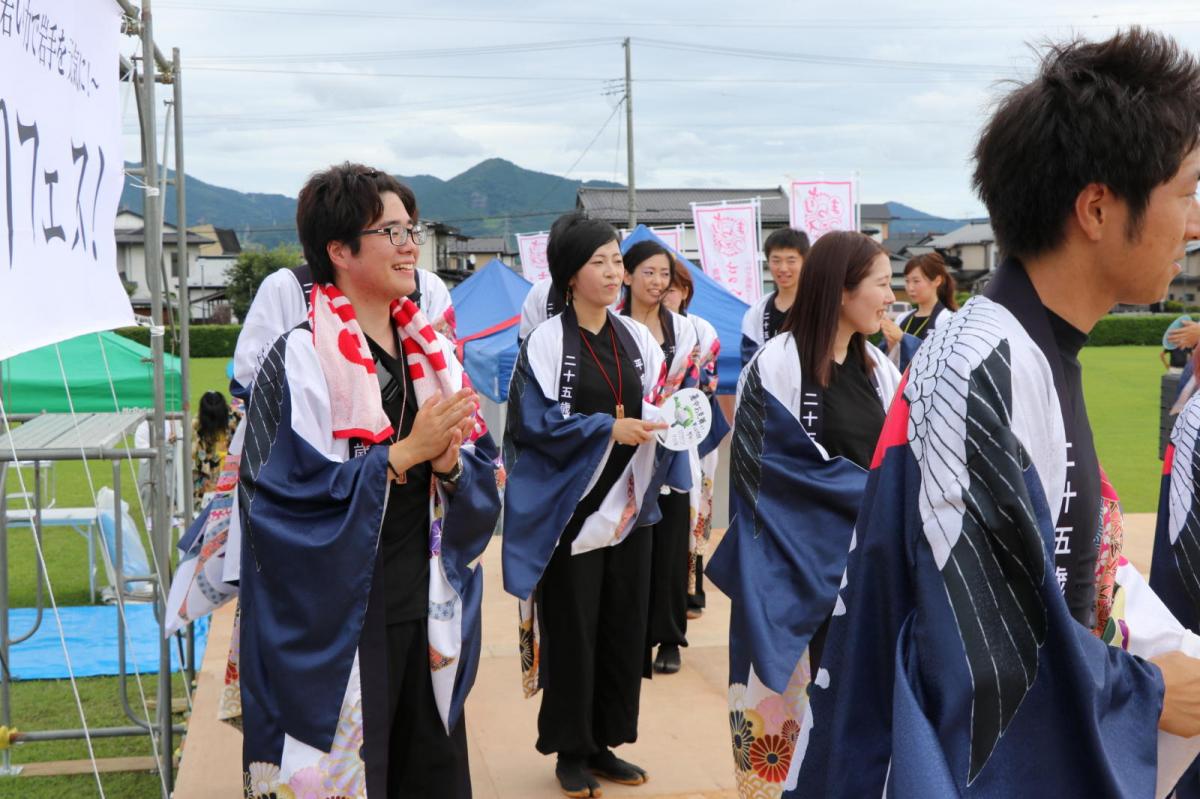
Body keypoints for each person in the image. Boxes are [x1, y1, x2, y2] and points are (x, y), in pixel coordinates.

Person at [793, 29, 1200, 797]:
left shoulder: (1024, 347)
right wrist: (1146, 689)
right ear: (1097, 207)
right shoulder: (985, 362)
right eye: (1186, 193)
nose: (1195, 222)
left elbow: (1069, 572)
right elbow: (980, 652)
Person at [237, 163, 501, 798]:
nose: (410, 245)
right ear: (339, 250)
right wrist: (402, 455)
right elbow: (274, 501)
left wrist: (449, 465)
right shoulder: (297, 357)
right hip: (342, 617)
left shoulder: (433, 354)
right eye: (392, 232)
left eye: (412, 230)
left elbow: (481, 468)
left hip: (427, 599)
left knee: (430, 773)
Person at [706, 231, 901, 799]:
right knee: (790, 724)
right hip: (790, 573)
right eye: (882, 284)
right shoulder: (777, 363)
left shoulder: (879, 369)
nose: (891, 297)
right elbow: (762, 472)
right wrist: (869, 496)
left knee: (857, 720)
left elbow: (899, 467)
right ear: (842, 290)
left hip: (863, 577)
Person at [502, 212, 670, 798]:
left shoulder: (637, 339)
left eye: (616, 261)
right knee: (574, 630)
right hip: (572, 513)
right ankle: (570, 750)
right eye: (598, 262)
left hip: (628, 508)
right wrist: (605, 429)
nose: (613, 272)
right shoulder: (547, 341)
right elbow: (532, 423)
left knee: (622, 626)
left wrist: (670, 421)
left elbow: (657, 401)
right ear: (570, 275)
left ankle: (604, 742)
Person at [620, 240, 699, 675]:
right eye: (648, 272)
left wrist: (665, 417)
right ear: (627, 275)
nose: (657, 282)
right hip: (624, 447)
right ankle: (631, 638)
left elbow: (691, 388)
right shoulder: (612, 325)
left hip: (671, 447)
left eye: (664, 274)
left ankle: (670, 636)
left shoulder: (682, 331)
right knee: (629, 545)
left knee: (670, 544)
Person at [661, 260, 731, 620]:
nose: (664, 294)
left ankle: (693, 589)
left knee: (697, 510)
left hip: (695, 432)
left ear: (685, 292)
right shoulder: (637, 326)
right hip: (654, 432)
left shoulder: (700, 330)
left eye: (671, 288)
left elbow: (704, 384)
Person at [740, 228, 809, 366]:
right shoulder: (757, 311)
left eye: (791, 261)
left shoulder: (818, 306)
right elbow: (749, 361)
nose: (783, 268)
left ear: (805, 261)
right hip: (768, 378)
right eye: (776, 260)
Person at [881, 251, 957, 345]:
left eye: (916, 281)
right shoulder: (902, 318)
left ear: (937, 281)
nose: (910, 288)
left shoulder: (947, 319)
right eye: (907, 281)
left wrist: (902, 338)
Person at [191, 390, 239, 510]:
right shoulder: (196, 426)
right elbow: (195, 461)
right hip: (206, 479)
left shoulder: (234, 420)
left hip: (232, 474)